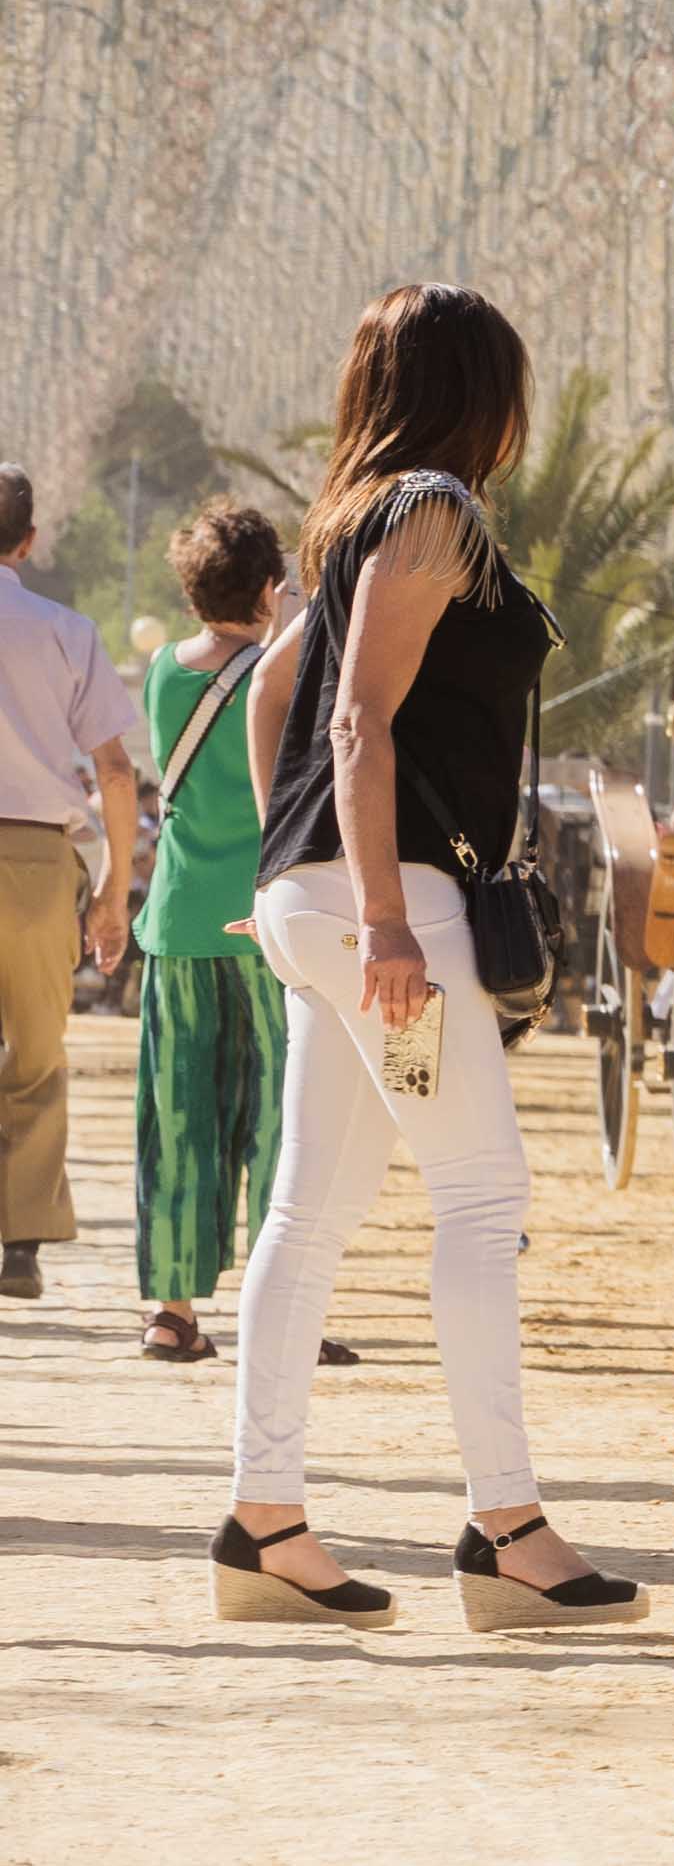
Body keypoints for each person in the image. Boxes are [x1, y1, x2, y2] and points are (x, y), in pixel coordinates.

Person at [222, 283, 647, 1630]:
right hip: (386, 904)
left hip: (325, 898)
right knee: (478, 1195)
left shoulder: (352, 518)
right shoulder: (434, 514)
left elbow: (277, 693)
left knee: (311, 1211)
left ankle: (265, 1523)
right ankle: (507, 1527)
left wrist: (287, 868)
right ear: (486, 394)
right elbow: (352, 720)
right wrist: (383, 917)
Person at [131, 503, 293, 1363]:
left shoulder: (161, 671)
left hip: (180, 917)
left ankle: (173, 1311)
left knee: (179, 1110)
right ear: (269, 588)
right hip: (271, 923)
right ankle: (284, 1315)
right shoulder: (286, 676)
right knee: (278, 1119)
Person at [0, 466, 144, 1305]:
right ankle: (20, 1248)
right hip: (36, 863)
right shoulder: (65, 630)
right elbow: (116, 771)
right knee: (35, 1055)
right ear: (29, 541)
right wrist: (115, 889)